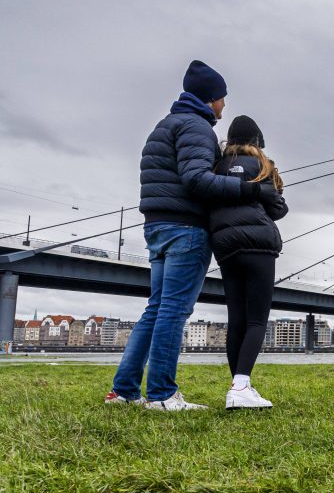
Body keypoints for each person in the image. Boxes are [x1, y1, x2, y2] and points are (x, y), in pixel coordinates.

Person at [106, 60, 265, 411]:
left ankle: (124, 390)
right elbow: (196, 179)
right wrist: (249, 188)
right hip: (186, 228)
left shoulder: (166, 124)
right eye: (222, 97)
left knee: (156, 308)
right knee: (174, 310)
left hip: (157, 224)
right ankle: (162, 394)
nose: (224, 104)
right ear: (211, 98)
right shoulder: (196, 127)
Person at [209, 115, 288, 409]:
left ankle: (238, 386)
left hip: (225, 246)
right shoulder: (262, 166)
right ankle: (241, 387)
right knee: (256, 320)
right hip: (258, 246)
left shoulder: (216, 167)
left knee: (237, 320)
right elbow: (278, 209)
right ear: (256, 142)